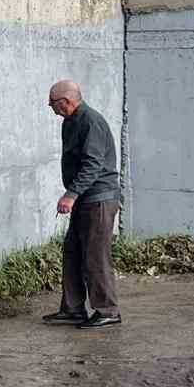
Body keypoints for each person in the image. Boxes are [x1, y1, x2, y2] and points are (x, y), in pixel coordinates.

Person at [41, 79, 122, 329]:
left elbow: (93, 164)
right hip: (85, 199)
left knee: (95, 257)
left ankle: (107, 310)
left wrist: (70, 194)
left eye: (52, 103)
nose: (50, 107)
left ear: (66, 102)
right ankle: (73, 309)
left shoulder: (90, 121)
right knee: (73, 253)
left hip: (98, 200)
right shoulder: (70, 122)